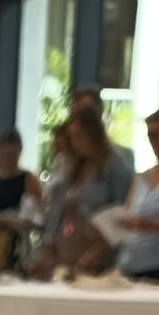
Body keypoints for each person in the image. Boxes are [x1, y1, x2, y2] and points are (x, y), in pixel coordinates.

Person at [36, 105, 133, 277]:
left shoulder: (115, 167)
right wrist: (48, 248)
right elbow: (57, 212)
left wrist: (97, 251)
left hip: (98, 256)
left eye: (79, 136)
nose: (75, 144)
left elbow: (121, 215)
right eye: (71, 138)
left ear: (93, 134)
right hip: (66, 251)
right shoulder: (72, 167)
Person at [0, 130, 44, 273]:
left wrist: (11, 220)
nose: (5, 161)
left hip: (19, 246)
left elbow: (38, 219)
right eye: (1, 156)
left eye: (10, 156)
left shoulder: (29, 180)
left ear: (19, 153)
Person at [118, 110, 159, 283]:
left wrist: (149, 225)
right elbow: (127, 213)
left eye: (157, 135)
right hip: (131, 265)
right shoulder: (141, 177)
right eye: (150, 136)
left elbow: (143, 223)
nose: (154, 141)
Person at [71, 85, 135, 175]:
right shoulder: (68, 157)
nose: (83, 118)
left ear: (100, 111)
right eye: (77, 112)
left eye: (89, 113)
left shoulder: (123, 156)